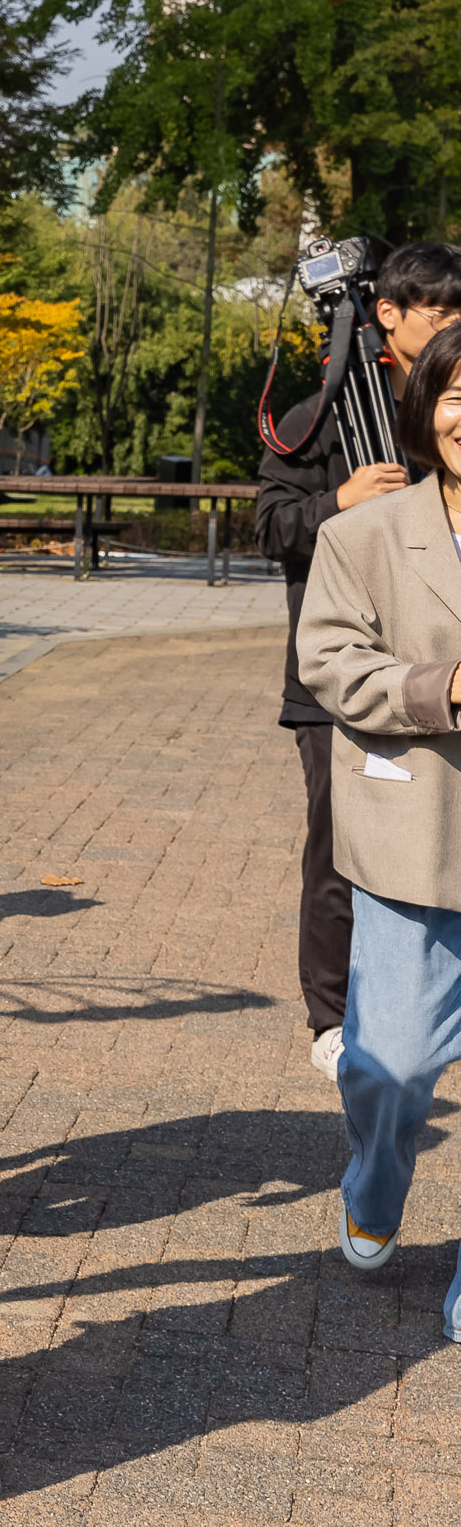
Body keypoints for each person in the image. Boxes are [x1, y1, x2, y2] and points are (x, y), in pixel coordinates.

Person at [257, 241, 461, 1078]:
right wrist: (337, 503)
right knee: (341, 843)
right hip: (341, 674)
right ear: (387, 313)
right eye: (439, 310)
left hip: (445, 672)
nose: (453, 324)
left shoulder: (447, 409)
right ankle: (334, 1014)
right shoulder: (323, 412)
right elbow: (270, 524)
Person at [297, 321, 461, 1333]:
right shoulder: (361, 534)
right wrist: (436, 686)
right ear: (428, 405)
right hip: (414, 842)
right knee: (389, 1063)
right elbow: (329, 660)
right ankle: (373, 1180)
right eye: (456, 394)